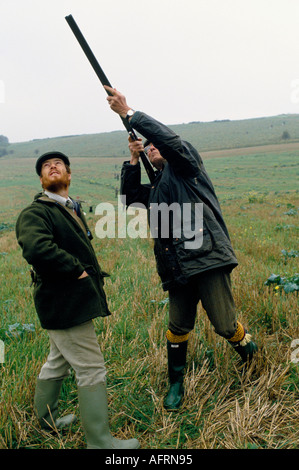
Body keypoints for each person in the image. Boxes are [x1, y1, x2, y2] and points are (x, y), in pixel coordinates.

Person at [104, 86, 258, 412]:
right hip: (176, 267)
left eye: (154, 144)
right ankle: (176, 384)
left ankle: (251, 354)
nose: (151, 147)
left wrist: (129, 114)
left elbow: (170, 141)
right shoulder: (159, 185)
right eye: (147, 148)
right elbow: (130, 198)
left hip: (206, 257)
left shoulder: (188, 167)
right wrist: (132, 160)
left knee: (225, 326)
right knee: (177, 327)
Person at [15, 151, 140, 449]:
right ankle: (100, 442)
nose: (52, 167)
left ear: (69, 175)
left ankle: (48, 422)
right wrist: (76, 270)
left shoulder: (69, 208)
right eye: (46, 166)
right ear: (42, 180)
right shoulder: (37, 212)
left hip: (67, 302)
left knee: (57, 363)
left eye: (58, 164)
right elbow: (36, 248)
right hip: (64, 304)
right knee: (91, 368)